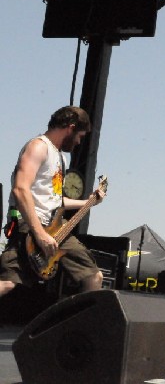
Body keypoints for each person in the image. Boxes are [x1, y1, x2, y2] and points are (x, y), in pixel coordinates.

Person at [0, 106, 105, 297]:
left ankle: (82, 326)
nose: (79, 142)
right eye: (79, 136)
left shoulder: (60, 157)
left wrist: (88, 202)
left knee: (94, 276)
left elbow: (54, 200)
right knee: (7, 283)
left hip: (55, 227)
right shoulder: (39, 146)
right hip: (30, 226)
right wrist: (39, 234)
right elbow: (20, 189)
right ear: (70, 128)